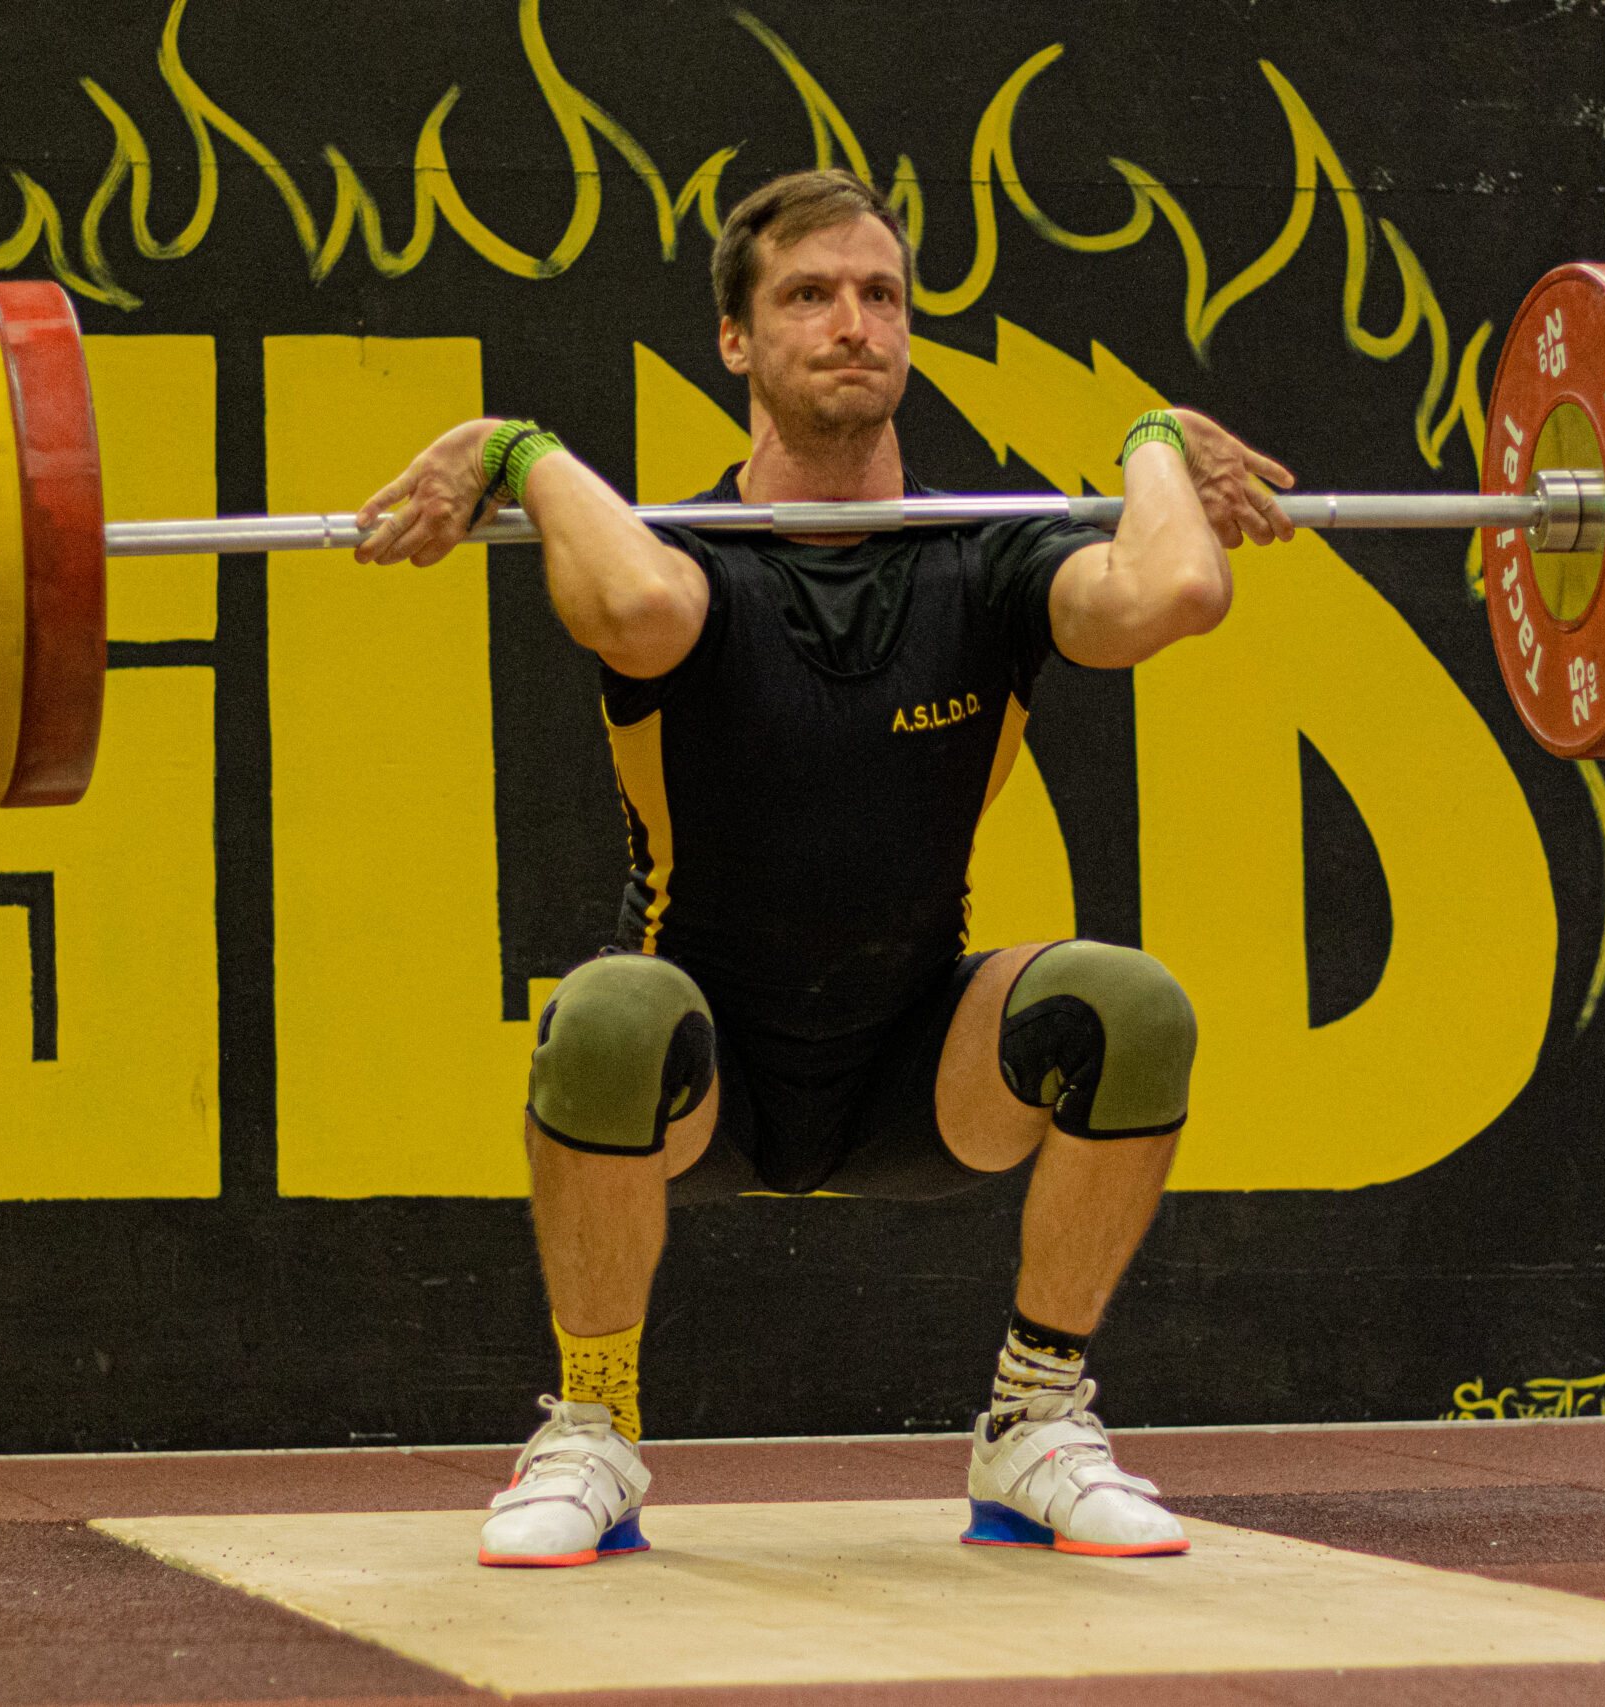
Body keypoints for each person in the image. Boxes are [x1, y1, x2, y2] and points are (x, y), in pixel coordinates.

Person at [352, 169, 1294, 1566]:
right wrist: (513, 446)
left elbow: (1178, 589)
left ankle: (1033, 1420)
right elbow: (632, 604)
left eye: (880, 295)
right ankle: (593, 1428)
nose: (855, 323)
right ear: (734, 340)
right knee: (608, 1008)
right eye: (808, 294)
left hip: (915, 1065)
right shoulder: (682, 556)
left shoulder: (988, 557)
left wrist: (1153, 441)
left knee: (1130, 1006)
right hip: (699, 1078)